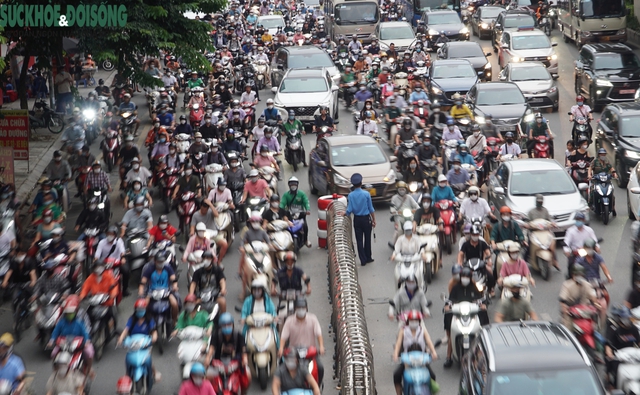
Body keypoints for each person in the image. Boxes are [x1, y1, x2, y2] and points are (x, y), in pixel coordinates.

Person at [443, 267, 488, 367]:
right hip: (458, 315)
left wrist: (483, 305)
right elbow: (450, 300)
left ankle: (484, 352)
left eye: (467, 277)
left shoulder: (475, 288)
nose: (465, 278)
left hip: (472, 314)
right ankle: (448, 356)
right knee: (451, 327)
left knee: (483, 317)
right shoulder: (455, 288)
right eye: (463, 276)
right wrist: (447, 306)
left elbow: (481, 299)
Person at [278, 298, 325, 386]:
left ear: (306, 308)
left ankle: (318, 385)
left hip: (310, 352)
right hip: (293, 353)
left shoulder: (313, 319)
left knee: (320, 367)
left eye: (303, 308)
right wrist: (281, 348)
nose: (301, 310)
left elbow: (319, 334)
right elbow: (283, 336)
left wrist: (321, 346)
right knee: (281, 368)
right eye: (299, 308)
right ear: (295, 309)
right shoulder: (289, 320)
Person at [392, 310, 438, 395]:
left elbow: (429, 341)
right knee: (397, 375)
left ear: (419, 321)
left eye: (416, 320)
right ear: (408, 321)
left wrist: (434, 352)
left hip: (422, 360)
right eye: (412, 320)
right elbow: (398, 344)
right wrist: (395, 354)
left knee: (432, 375)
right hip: (407, 360)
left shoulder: (422, 330)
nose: (414, 322)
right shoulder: (403, 331)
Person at [116, 299, 161, 381]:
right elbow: (126, 330)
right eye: (138, 309)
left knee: (147, 359)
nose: (140, 311)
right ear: (135, 310)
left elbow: (154, 331)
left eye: (142, 309)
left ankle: (154, 372)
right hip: (133, 343)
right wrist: (121, 338)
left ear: (145, 310)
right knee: (128, 360)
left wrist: (154, 337)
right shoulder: (132, 319)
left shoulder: (149, 319)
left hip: (145, 343)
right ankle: (127, 375)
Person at [48, 295, 94, 375]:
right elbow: (56, 331)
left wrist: (87, 341)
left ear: (76, 311)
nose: (69, 314)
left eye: (71, 312)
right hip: (64, 343)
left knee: (89, 352)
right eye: (67, 312)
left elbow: (85, 331)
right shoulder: (61, 321)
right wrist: (52, 341)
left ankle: (89, 370)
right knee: (53, 353)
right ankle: (55, 371)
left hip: (79, 343)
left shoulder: (80, 321)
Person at [139, 251, 180, 323]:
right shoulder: (149, 269)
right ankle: (143, 321)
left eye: (162, 261)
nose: (161, 263)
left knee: (174, 304)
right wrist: (141, 291)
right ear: (155, 261)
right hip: (152, 291)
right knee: (143, 306)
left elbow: (174, 279)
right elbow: (142, 282)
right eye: (159, 261)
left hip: (166, 291)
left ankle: (174, 320)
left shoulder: (168, 268)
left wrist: (175, 287)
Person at [345, 173, 376, 266]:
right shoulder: (366, 194)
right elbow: (371, 208)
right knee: (367, 239)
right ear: (361, 183)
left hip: (357, 220)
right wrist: (374, 220)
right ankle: (368, 257)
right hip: (366, 219)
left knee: (359, 240)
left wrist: (344, 213)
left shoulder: (350, 195)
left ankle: (362, 260)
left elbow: (349, 209)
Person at [605, 306, 640, 387]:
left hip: (631, 357)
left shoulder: (634, 329)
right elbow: (609, 345)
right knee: (614, 378)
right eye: (624, 318)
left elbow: (639, 342)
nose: (626, 320)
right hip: (618, 357)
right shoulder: (616, 330)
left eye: (628, 318)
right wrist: (609, 353)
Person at [79, 260, 118, 332]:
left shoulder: (108, 276)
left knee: (112, 314)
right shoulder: (91, 278)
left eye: (100, 267)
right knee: (87, 314)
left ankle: (114, 329)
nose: (99, 269)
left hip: (107, 302)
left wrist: (112, 294)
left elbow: (114, 286)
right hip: (95, 302)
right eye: (97, 267)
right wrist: (81, 297)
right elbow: (85, 288)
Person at [240, 279, 278, 344]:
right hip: (252, 325)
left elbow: (272, 310)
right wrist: (243, 318)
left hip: (266, 325)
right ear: (252, 291)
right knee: (243, 337)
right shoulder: (248, 300)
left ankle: (277, 351)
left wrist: (275, 316)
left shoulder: (268, 300)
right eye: (254, 290)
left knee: (275, 337)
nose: (256, 292)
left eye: (259, 290)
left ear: (262, 290)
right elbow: (244, 311)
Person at [94, 226, 128, 296]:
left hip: (117, 263)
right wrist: (96, 260)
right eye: (108, 234)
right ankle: (94, 291)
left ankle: (124, 290)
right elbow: (97, 254)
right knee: (95, 273)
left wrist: (123, 258)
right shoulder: (102, 242)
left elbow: (122, 251)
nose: (110, 236)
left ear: (115, 235)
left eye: (111, 234)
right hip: (104, 264)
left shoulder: (119, 241)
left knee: (126, 271)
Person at [564, 212, 599, 276]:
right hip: (576, 252)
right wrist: (566, 251)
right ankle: (570, 278)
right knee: (570, 264)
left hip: (588, 251)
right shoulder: (570, 231)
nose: (578, 221)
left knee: (597, 261)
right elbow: (566, 242)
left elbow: (595, 241)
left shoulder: (589, 230)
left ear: (584, 220)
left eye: (580, 219)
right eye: (577, 219)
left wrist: (597, 247)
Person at [590, 147, 617, 215]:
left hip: (606, 181)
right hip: (597, 180)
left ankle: (613, 208)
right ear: (599, 154)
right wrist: (589, 175)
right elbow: (590, 168)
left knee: (611, 194)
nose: (603, 156)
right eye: (601, 154)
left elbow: (611, 168)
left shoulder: (607, 161)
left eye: (604, 154)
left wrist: (614, 173)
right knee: (592, 190)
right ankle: (591, 204)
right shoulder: (595, 161)